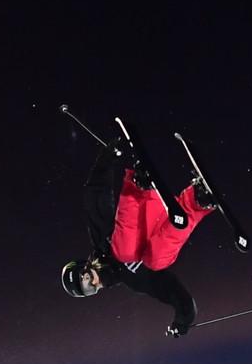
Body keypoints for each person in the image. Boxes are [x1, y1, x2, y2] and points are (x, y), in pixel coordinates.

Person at [60, 141, 218, 337]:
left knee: (124, 252)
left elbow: (96, 199)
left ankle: (139, 185)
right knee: (154, 261)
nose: (94, 283)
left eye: (86, 278)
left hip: (147, 202)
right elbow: (172, 291)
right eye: (89, 290)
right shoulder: (135, 280)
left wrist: (106, 159)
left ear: (87, 265)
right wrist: (183, 319)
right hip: (168, 219)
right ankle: (198, 201)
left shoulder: (103, 240)